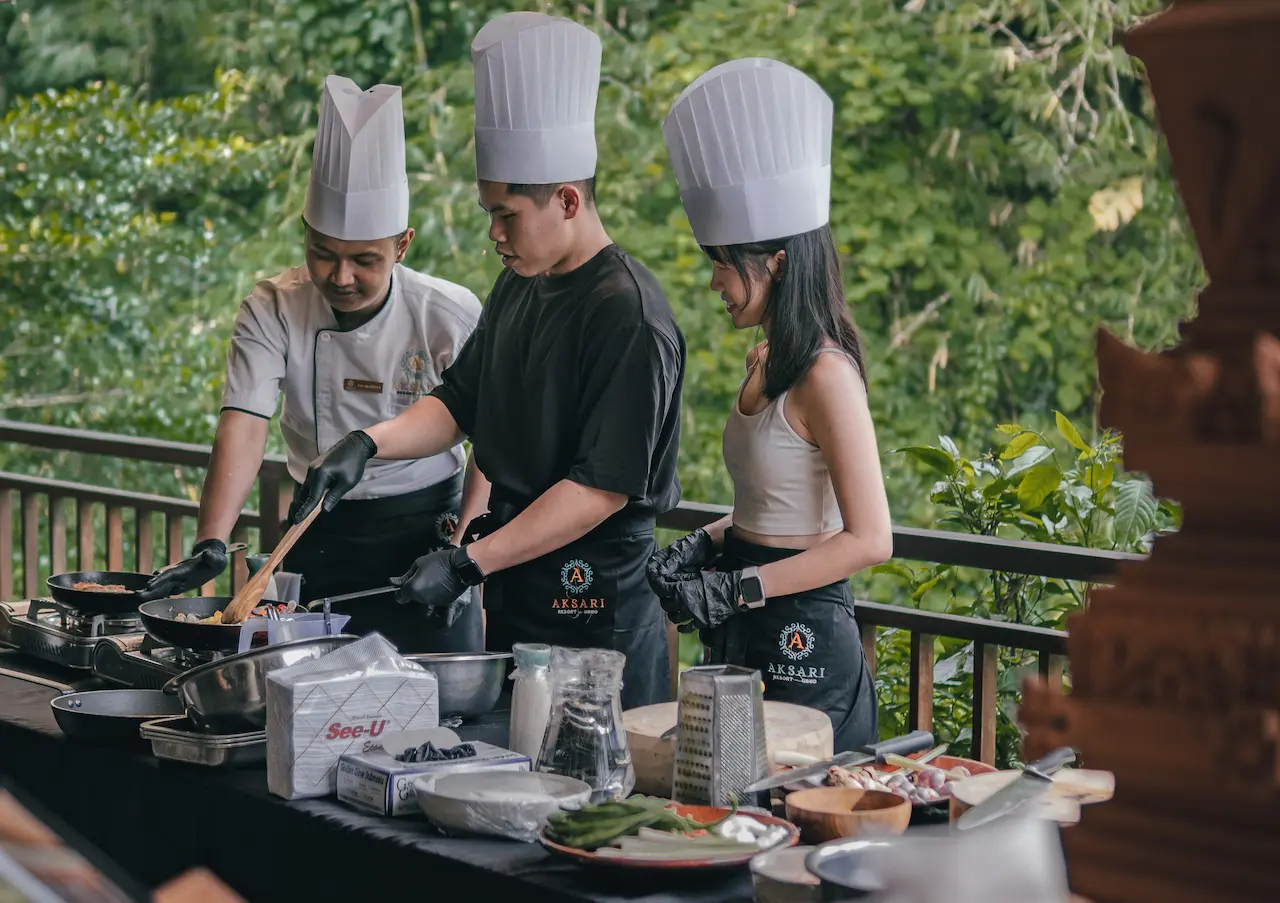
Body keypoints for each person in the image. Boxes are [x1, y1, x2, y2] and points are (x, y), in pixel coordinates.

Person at [286, 13, 686, 710]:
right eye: (488, 214)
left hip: (597, 612)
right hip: (519, 595)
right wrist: (367, 443)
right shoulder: (522, 283)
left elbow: (599, 490)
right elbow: (458, 402)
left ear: (567, 200)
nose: (494, 234)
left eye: (507, 215)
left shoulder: (627, 312)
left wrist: (468, 561)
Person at [137, 75, 488, 654]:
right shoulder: (272, 306)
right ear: (305, 233)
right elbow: (244, 421)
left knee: (435, 701)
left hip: (425, 540)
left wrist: (463, 553)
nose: (340, 276)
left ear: (402, 245)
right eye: (322, 253)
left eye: (364, 260)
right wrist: (212, 541)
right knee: (309, 694)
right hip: (316, 534)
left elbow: (492, 441)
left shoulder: (446, 314)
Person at [648, 58, 893, 751]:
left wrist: (740, 588)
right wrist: (707, 543)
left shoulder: (827, 374)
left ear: (776, 261)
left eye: (723, 263)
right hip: (746, 626)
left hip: (803, 640)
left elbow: (871, 539)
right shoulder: (766, 360)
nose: (716, 283)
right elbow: (773, 507)